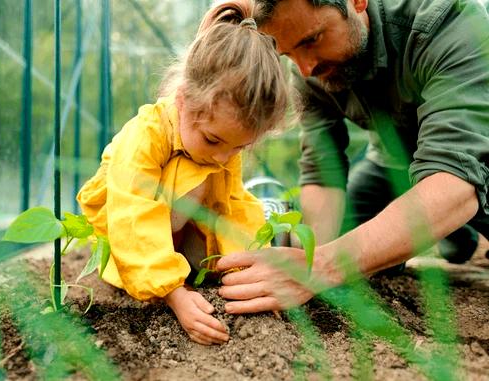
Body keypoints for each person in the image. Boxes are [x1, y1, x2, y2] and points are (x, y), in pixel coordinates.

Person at [215, 0, 489, 313]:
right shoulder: (309, 72)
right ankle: (455, 233)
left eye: (311, 40)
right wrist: (308, 261)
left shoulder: (446, 21)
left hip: (477, 158)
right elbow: (323, 171)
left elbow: (454, 179)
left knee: (450, 202)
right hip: (394, 160)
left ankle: (456, 226)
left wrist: (323, 267)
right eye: (288, 54)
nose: (305, 69)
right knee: (349, 240)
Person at [77, 1, 289, 344]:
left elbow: (231, 208)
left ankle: (257, 242)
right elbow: (134, 214)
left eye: (238, 148)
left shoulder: (221, 149)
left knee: (237, 206)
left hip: (183, 236)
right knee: (179, 182)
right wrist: (174, 294)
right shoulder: (146, 135)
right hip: (129, 242)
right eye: (213, 139)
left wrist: (244, 271)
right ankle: (165, 277)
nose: (223, 156)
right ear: (182, 100)